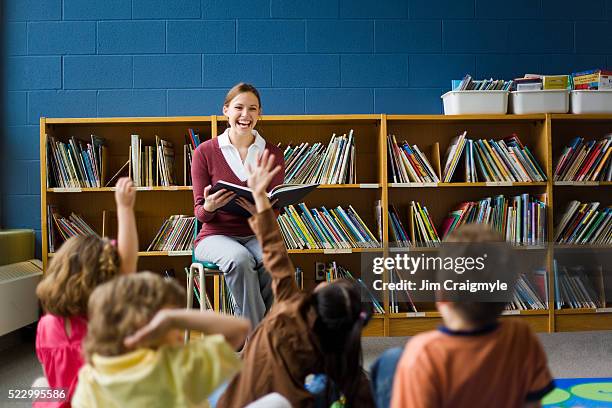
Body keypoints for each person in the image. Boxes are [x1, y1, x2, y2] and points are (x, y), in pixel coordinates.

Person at [217, 150, 375, 408]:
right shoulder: (337, 347)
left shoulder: (289, 307)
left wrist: (260, 199)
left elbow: (275, 254)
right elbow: (358, 386)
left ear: (320, 293)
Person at [377, 224, 555, 408]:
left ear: (441, 295)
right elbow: (533, 404)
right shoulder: (522, 337)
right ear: (509, 293)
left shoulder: (423, 354)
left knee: (391, 361)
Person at [71, 272, 250, 407]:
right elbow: (239, 329)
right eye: (171, 326)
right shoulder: (176, 365)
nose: (181, 332)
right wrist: (173, 319)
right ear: (149, 326)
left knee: (41, 385)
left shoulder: (89, 378)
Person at [35, 177, 138, 407]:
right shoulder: (106, 324)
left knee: (40, 385)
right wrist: (124, 208)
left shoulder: (45, 326)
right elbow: (128, 263)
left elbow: (53, 382)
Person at [192, 83, 285, 328]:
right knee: (239, 259)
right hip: (215, 236)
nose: (245, 115)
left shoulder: (272, 153)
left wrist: (263, 210)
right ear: (226, 111)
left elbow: (275, 209)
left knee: (272, 258)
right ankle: (257, 339)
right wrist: (210, 206)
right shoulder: (205, 152)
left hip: (256, 233)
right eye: (239, 108)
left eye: (252, 109)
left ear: (259, 114)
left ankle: (260, 336)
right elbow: (200, 213)